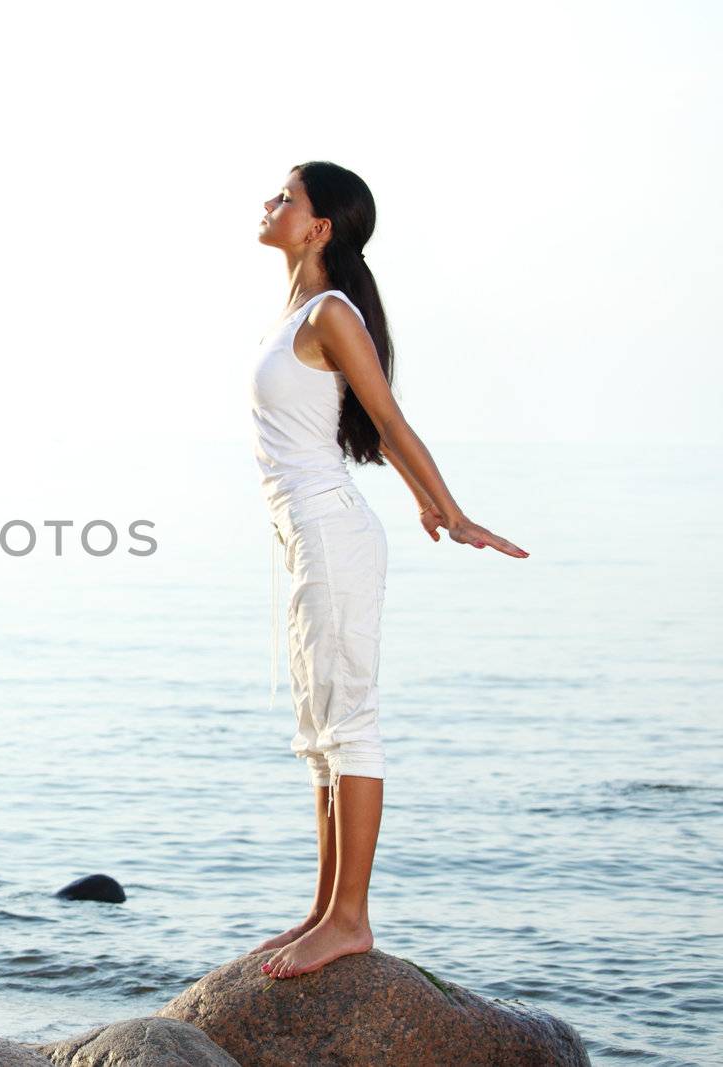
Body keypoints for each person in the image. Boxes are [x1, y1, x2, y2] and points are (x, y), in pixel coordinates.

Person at [249, 161, 528, 980]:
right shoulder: (297, 309)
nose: (269, 203)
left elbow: (390, 420)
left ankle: (350, 919)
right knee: (318, 731)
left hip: (333, 534)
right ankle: (323, 905)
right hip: (306, 538)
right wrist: (423, 502)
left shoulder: (332, 312)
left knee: (349, 721)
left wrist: (448, 505)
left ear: (319, 226)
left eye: (285, 197)